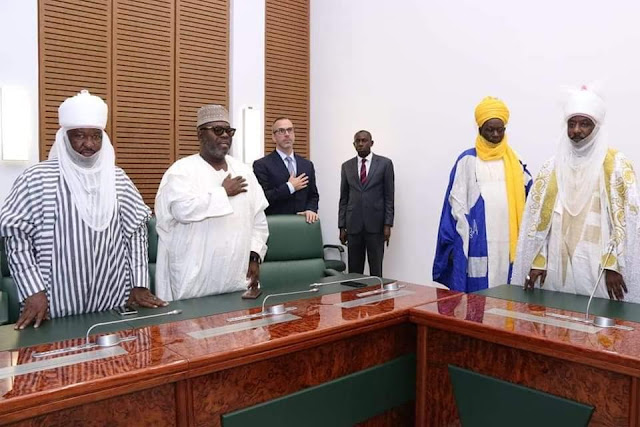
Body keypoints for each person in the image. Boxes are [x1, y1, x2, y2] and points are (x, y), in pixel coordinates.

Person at [0, 90, 166, 330]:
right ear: (64, 137)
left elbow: (137, 232)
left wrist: (139, 284)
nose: (88, 144)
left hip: (112, 300)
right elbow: (16, 237)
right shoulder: (36, 178)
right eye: (79, 136)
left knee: (115, 362)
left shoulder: (117, 178)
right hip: (54, 303)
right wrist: (33, 291)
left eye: (95, 136)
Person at [513, 84, 640, 302]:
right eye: (571, 124)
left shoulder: (617, 166)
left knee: (600, 329)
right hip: (556, 266)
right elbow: (540, 224)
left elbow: (627, 222)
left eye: (584, 124)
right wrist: (538, 260)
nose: (576, 131)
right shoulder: (551, 167)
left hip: (600, 269)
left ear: (597, 127)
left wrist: (614, 265)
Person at [154, 104, 269, 301]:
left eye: (228, 131)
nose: (225, 135)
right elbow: (182, 211)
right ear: (200, 134)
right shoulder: (181, 171)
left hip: (236, 279)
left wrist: (254, 255)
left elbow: (259, 222)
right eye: (217, 130)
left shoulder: (245, 172)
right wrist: (223, 193)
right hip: (194, 283)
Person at [433, 97, 532, 292]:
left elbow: (532, 197)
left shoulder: (514, 161)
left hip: (509, 242)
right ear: (480, 129)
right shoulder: (467, 160)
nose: (496, 134)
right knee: (478, 299)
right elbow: (454, 205)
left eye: (500, 129)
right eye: (490, 129)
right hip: (479, 242)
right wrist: (452, 244)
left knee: (508, 296)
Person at [338, 130, 394, 277]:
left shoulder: (385, 164)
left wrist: (388, 225)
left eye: (364, 140)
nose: (361, 144)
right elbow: (344, 198)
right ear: (354, 144)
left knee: (376, 269)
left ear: (371, 143)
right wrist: (342, 226)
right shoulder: (346, 166)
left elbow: (389, 196)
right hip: (353, 226)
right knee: (354, 272)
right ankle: (353, 299)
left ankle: (377, 299)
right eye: (358, 141)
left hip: (376, 226)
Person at [253, 117, 319, 223]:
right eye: (281, 131)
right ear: (273, 137)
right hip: (276, 226)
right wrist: (290, 187)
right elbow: (262, 198)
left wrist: (310, 210)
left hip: (303, 224)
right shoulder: (262, 165)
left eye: (290, 130)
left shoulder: (307, 165)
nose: (287, 134)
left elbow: (313, 195)